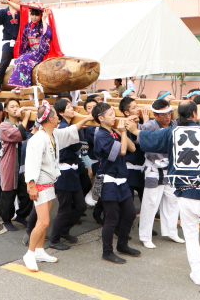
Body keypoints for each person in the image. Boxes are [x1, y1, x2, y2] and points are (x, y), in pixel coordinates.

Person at [130, 101, 200, 285]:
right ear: (193, 114)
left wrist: (135, 130)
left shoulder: (170, 132)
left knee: (191, 234)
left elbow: (149, 139)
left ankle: (197, 273)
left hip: (184, 191)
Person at [22, 101, 93, 272]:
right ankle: (29, 254)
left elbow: (70, 131)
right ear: (50, 119)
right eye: (55, 114)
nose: (57, 117)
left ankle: (39, 251)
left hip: (49, 183)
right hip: (38, 183)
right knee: (44, 221)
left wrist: (88, 118)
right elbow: (31, 163)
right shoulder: (38, 139)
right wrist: (30, 185)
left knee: (42, 222)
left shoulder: (52, 134)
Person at [91, 102, 141, 264]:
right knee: (112, 218)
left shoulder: (114, 131)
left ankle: (122, 245)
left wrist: (123, 132)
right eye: (111, 114)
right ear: (101, 118)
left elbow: (133, 149)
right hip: (107, 180)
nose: (114, 117)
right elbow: (122, 151)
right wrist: (124, 132)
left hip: (121, 179)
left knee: (130, 213)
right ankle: (107, 252)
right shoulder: (101, 135)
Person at [137, 99, 183, 249]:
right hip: (153, 168)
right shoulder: (149, 126)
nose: (167, 117)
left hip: (171, 169)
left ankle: (171, 231)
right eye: (163, 115)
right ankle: (145, 236)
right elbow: (140, 140)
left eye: (169, 113)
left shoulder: (175, 124)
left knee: (172, 201)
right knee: (150, 203)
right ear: (156, 115)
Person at [47, 99, 86, 251]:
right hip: (63, 171)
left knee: (80, 206)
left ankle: (64, 230)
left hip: (72, 170)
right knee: (64, 208)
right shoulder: (62, 127)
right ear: (61, 112)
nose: (73, 109)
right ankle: (54, 239)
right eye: (69, 107)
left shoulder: (69, 126)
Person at [0, 98, 33, 231]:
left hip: (23, 163)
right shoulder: (4, 125)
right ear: (5, 109)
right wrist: (25, 118)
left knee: (27, 193)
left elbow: (31, 125)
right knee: (8, 193)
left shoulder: (21, 121)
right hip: (10, 163)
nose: (15, 108)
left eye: (17, 106)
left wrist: (25, 113)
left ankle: (21, 215)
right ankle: (6, 220)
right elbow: (18, 134)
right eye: (12, 106)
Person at [119, 97, 145, 205]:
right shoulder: (122, 126)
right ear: (126, 112)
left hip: (142, 167)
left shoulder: (142, 121)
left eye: (137, 106)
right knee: (128, 203)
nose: (138, 109)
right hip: (129, 167)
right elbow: (139, 143)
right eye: (134, 107)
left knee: (146, 202)